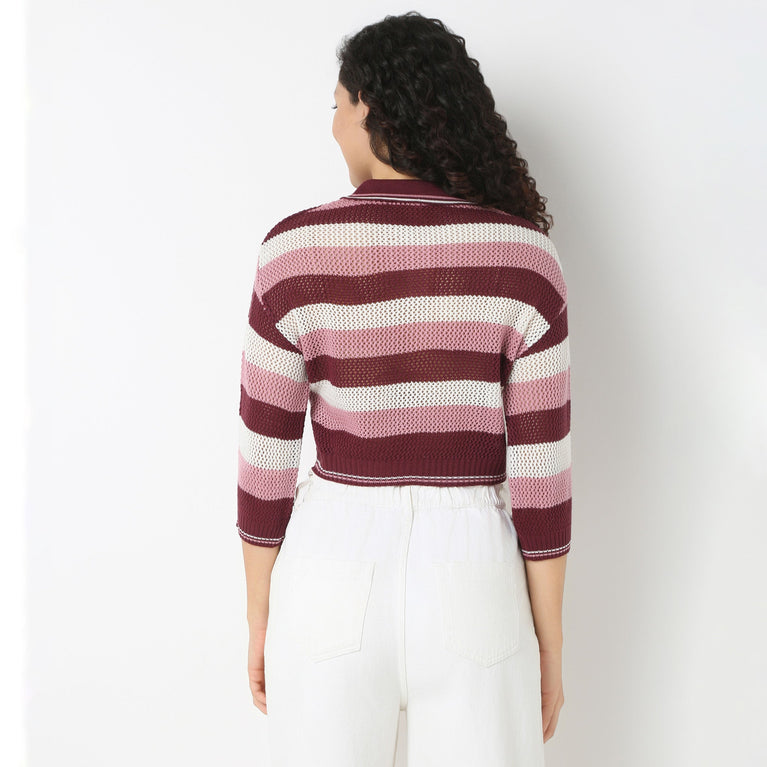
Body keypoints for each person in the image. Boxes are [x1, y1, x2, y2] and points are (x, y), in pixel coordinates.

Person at [237, 11, 571, 766]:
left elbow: (265, 455)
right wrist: (548, 644)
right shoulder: (525, 258)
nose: (333, 128)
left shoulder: (293, 251)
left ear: (370, 108)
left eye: (336, 105)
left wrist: (260, 614)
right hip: (475, 577)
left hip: (330, 567)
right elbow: (542, 478)